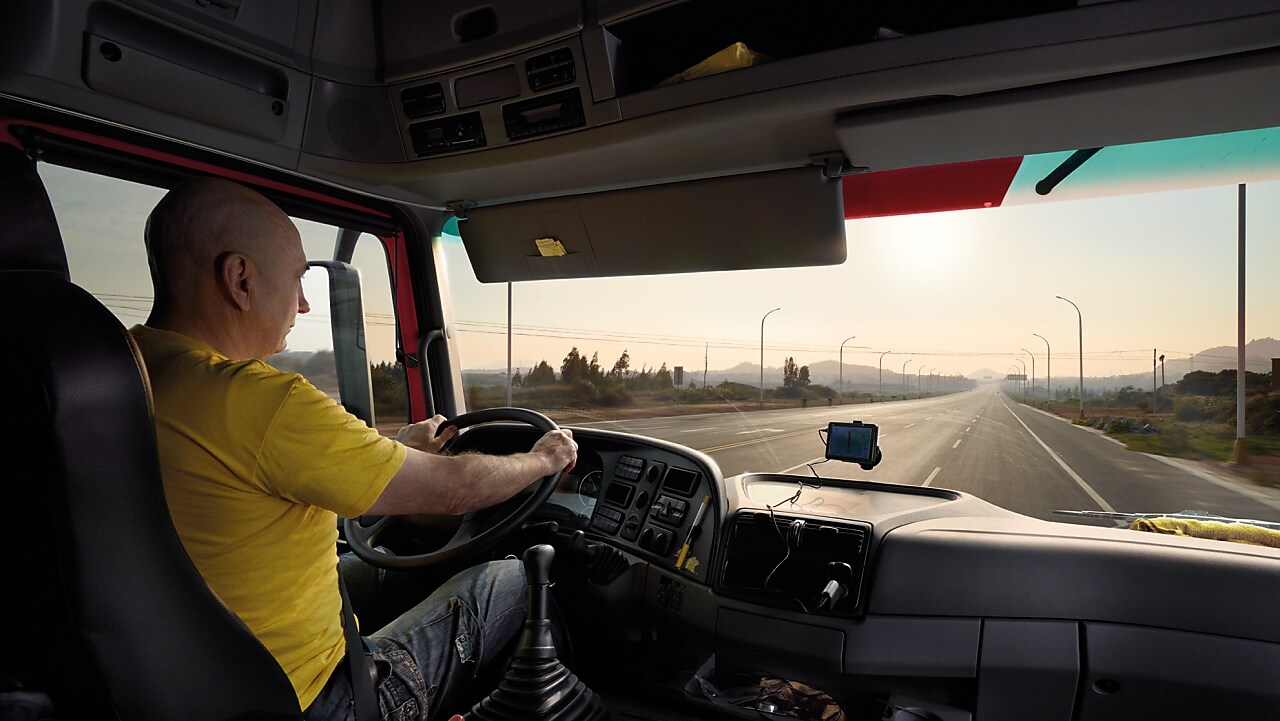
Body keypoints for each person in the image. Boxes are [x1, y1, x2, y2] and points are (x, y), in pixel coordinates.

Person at [130, 176, 578, 721]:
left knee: (386, 562)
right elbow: (457, 491)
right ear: (239, 278)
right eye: (296, 278)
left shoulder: (130, 369)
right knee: (508, 580)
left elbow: (270, 471)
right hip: (315, 699)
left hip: (179, 678)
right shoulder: (259, 399)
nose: (301, 300)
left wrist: (390, 450)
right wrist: (545, 459)